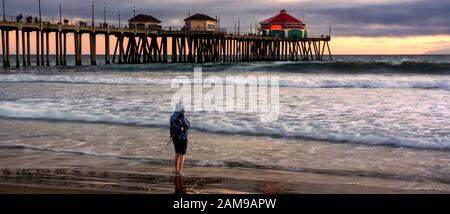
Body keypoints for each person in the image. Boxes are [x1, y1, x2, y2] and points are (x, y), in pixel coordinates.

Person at [170, 102, 190, 175]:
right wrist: (187, 121)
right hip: (183, 138)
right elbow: (187, 126)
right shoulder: (182, 117)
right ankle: (180, 171)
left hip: (174, 137)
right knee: (182, 154)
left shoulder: (172, 116)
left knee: (177, 154)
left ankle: (176, 170)